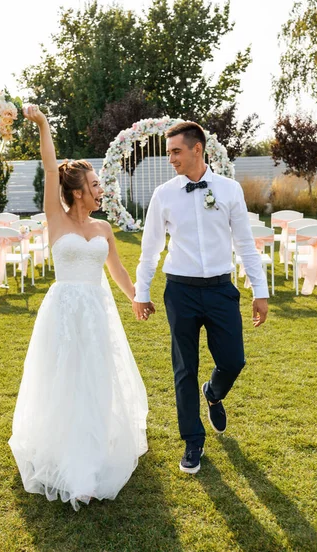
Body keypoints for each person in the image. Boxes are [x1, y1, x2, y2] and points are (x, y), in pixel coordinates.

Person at [9, 105, 148, 510]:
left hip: (98, 313)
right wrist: (43, 124)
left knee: (97, 379)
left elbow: (118, 271)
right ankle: (72, 461)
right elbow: (51, 169)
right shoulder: (56, 218)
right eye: (94, 183)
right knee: (65, 379)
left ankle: (94, 448)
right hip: (64, 313)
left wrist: (137, 297)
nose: (100, 188)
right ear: (76, 191)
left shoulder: (103, 228)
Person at [132, 121, 268, 475]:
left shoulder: (230, 190)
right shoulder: (164, 194)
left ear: (197, 149)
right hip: (180, 291)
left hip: (222, 289)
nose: (171, 159)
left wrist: (260, 290)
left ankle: (214, 392)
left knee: (234, 360)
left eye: (176, 151)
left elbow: (245, 246)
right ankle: (193, 441)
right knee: (183, 369)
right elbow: (149, 251)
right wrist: (141, 292)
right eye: (169, 152)